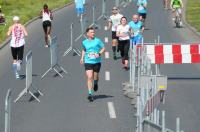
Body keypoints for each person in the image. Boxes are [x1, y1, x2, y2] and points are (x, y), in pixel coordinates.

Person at [80, 27, 105, 102]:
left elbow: (103, 48)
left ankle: (96, 83)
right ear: (87, 34)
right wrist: (82, 58)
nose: (93, 33)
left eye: (93, 32)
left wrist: (99, 53)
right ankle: (90, 94)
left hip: (97, 61)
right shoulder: (84, 42)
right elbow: (84, 49)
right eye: (91, 32)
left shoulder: (97, 41)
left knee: (95, 76)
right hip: (88, 61)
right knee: (89, 77)